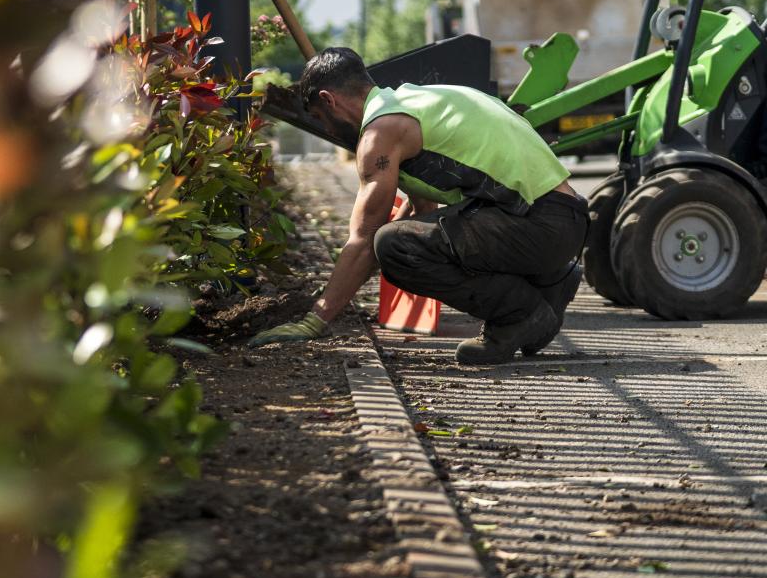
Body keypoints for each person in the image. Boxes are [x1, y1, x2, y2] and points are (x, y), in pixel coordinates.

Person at [251, 47, 588, 364]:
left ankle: (519, 313)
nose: (325, 128)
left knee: (392, 246)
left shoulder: (381, 132)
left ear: (329, 99)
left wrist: (316, 319)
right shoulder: (414, 102)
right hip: (563, 220)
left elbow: (365, 238)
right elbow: (424, 216)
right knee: (400, 239)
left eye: (320, 117)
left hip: (541, 227)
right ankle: (551, 281)